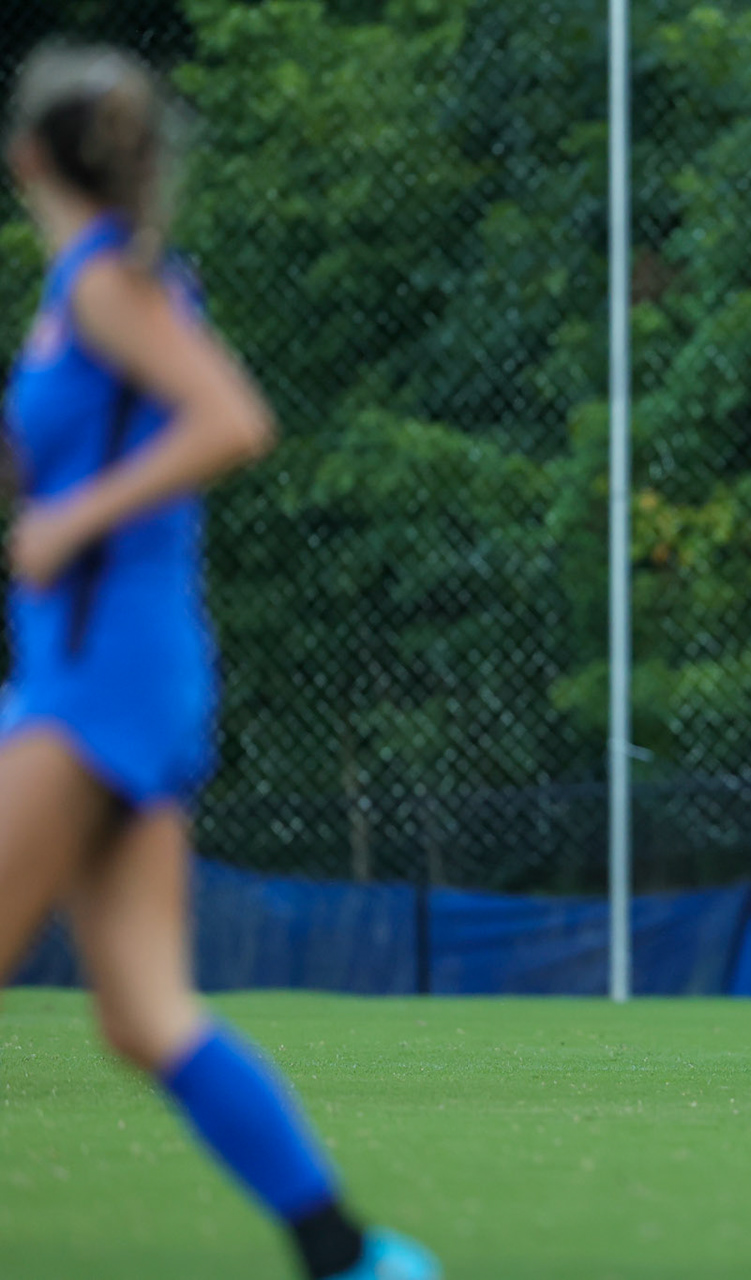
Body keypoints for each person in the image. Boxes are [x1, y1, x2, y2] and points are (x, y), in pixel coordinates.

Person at [0, 45, 438, 1279]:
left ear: (29, 157)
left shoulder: (104, 284)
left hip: (101, 679)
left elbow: (231, 417)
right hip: (101, 672)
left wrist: (70, 523)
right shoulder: (86, 293)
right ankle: (348, 1253)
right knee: (144, 1013)